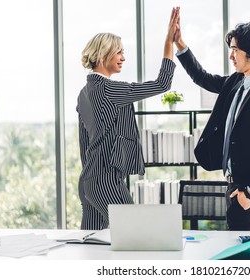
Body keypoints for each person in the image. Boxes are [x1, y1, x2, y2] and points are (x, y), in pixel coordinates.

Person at [174, 14, 250, 230]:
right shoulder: (236, 82)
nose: (231, 55)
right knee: (242, 249)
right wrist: (180, 45)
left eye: (235, 49)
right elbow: (202, 77)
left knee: (246, 255)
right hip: (233, 185)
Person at [76, 8, 180, 230]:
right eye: (119, 52)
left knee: (91, 245)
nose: (123, 57)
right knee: (135, 234)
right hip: (106, 181)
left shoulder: (85, 92)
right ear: (104, 55)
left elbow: (84, 144)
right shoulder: (109, 89)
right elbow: (162, 84)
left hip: (89, 180)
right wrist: (168, 42)